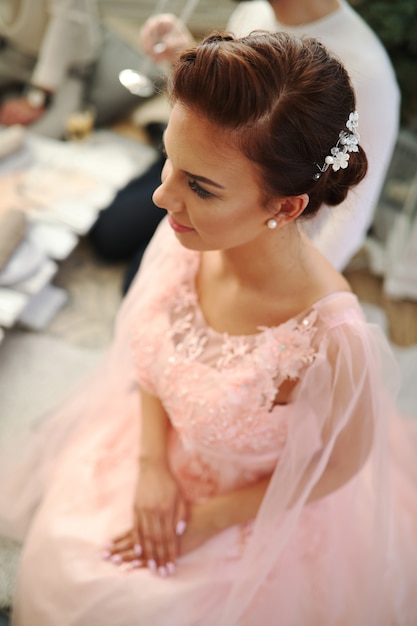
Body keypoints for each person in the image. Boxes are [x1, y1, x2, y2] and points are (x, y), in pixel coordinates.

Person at [1, 30, 416, 626]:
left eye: (201, 186)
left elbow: (341, 466)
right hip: (155, 453)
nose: (163, 196)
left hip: (244, 509)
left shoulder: (331, 337)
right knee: (68, 563)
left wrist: (211, 518)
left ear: (284, 207)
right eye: (172, 158)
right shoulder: (187, 236)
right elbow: (150, 357)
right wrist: (150, 465)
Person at [89, 0, 400, 291]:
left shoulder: (370, 72)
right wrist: (187, 61)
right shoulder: (253, 14)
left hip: (262, 205)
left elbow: (350, 220)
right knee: (107, 235)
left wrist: (285, 288)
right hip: (205, 164)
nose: (162, 197)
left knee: (143, 281)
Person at [0, 0, 158, 139]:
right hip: (15, 54)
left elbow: (68, 20)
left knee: (44, 134)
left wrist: (37, 98)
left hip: (68, 64)